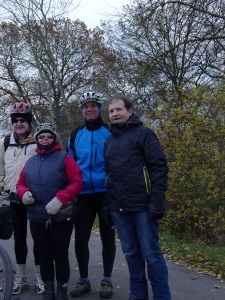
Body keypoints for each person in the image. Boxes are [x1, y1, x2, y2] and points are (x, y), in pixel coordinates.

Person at [104, 95, 171, 300]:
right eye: (111, 111)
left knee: (151, 255)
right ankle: (137, 296)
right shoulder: (109, 141)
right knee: (132, 255)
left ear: (130, 111)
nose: (115, 114)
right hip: (119, 208)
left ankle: (162, 296)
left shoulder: (144, 134)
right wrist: (109, 205)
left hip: (143, 206)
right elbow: (110, 175)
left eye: (118, 110)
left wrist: (157, 201)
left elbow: (159, 168)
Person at [17, 123, 83, 300]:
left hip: (60, 215)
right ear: (37, 139)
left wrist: (61, 198)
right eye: (41, 136)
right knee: (44, 253)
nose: (45, 139)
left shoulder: (65, 158)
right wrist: (24, 193)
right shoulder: (30, 162)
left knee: (60, 254)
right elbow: (20, 183)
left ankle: (61, 289)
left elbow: (77, 181)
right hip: (37, 216)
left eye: (49, 136)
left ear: (54, 138)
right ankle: (49, 289)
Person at [67, 92, 116, 299]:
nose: (89, 109)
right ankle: (84, 280)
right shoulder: (76, 134)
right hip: (83, 194)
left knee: (107, 237)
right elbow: (69, 165)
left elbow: (118, 161)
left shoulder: (111, 132)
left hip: (106, 193)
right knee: (81, 239)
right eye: (85, 106)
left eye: (93, 106)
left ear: (99, 108)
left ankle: (107, 280)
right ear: (81, 111)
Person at [0, 102, 46, 295]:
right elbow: (0, 165)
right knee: (20, 238)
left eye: (23, 120)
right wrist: (3, 182)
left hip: (35, 198)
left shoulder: (38, 140)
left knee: (39, 238)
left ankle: (39, 275)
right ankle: (21, 276)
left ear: (29, 122)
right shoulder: (7, 141)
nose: (19, 123)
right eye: (15, 120)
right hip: (15, 197)